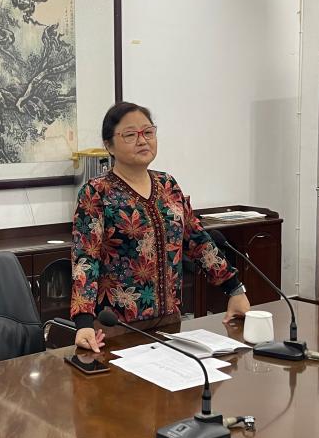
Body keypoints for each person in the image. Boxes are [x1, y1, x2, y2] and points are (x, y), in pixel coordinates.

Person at [70, 102, 250, 351]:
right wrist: (83, 322)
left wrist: (234, 288)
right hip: (116, 327)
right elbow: (85, 258)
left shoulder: (168, 185)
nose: (142, 140)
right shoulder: (97, 192)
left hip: (169, 321)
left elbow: (197, 240)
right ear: (109, 145)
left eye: (148, 132)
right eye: (130, 134)